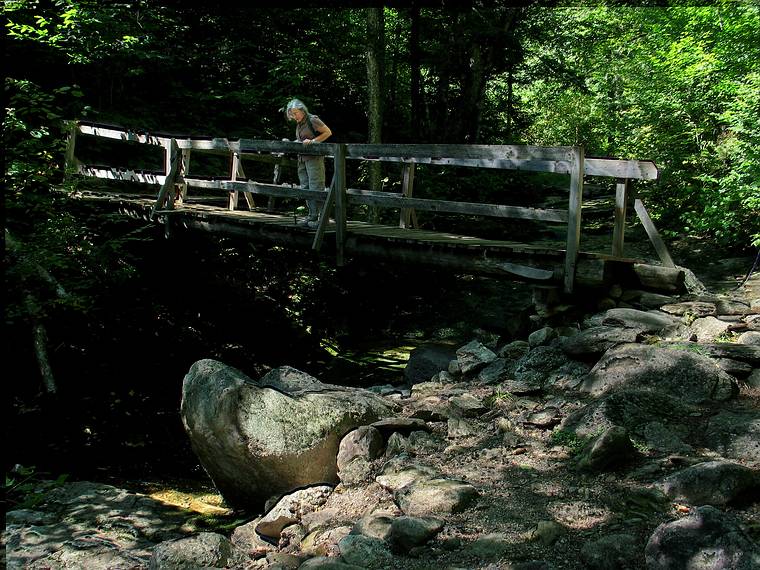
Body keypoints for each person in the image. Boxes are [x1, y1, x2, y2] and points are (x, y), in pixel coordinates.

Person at [284, 98, 332, 227]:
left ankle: (323, 219)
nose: (294, 116)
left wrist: (314, 141)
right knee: (305, 188)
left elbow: (327, 132)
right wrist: (292, 143)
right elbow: (303, 140)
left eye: (295, 113)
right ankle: (312, 217)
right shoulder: (300, 123)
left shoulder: (312, 119)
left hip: (314, 159)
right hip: (302, 160)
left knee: (316, 188)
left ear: (302, 110)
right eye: (292, 114)